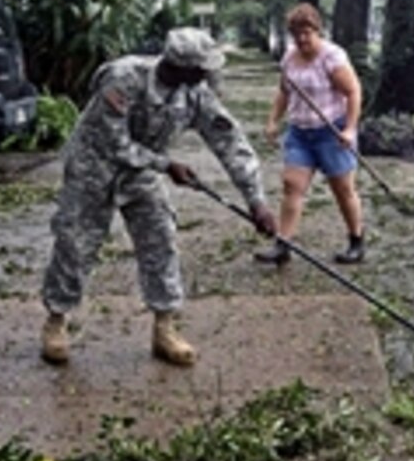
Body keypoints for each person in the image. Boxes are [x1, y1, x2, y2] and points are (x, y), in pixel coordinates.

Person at [40, 28, 278, 367]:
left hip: (142, 172)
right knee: (75, 243)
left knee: (161, 239)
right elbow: (116, 144)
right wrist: (167, 165)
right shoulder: (123, 78)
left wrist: (257, 201)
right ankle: (56, 321)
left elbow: (230, 142)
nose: (208, 74)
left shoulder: (194, 92)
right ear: (180, 66)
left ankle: (165, 328)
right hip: (93, 165)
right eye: (202, 68)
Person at [259, 3, 365, 266]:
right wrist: (273, 120)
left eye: (307, 32)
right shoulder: (289, 57)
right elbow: (284, 92)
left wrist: (350, 128)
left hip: (332, 131)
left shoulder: (332, 57)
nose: (302, 38)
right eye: (297, 33)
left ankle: (356, 241)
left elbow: (353, 92)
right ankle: (283, 244)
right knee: (292, 186)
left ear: (318, 30)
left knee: (342, 189)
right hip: (300, 133)